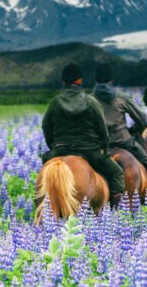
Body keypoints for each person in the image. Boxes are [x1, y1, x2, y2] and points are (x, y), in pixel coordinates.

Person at [41, 63, 125, 208]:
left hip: (60, 149)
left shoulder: (55, 102)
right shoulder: (90, 101)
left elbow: (46, 127)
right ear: (80, 80)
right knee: (116, 173)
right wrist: (104, 148)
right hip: (89, 150)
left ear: (63, 81)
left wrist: (53, 147)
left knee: (44, 172)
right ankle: (115, 213)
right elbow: (102, 129)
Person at [92, 64, 147, 199]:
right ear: (111, 80)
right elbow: (142, 119)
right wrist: (131, 130)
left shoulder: (89, 100)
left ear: (96, 80)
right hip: (123, 140)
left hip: (98, 145)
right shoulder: (121, 97)